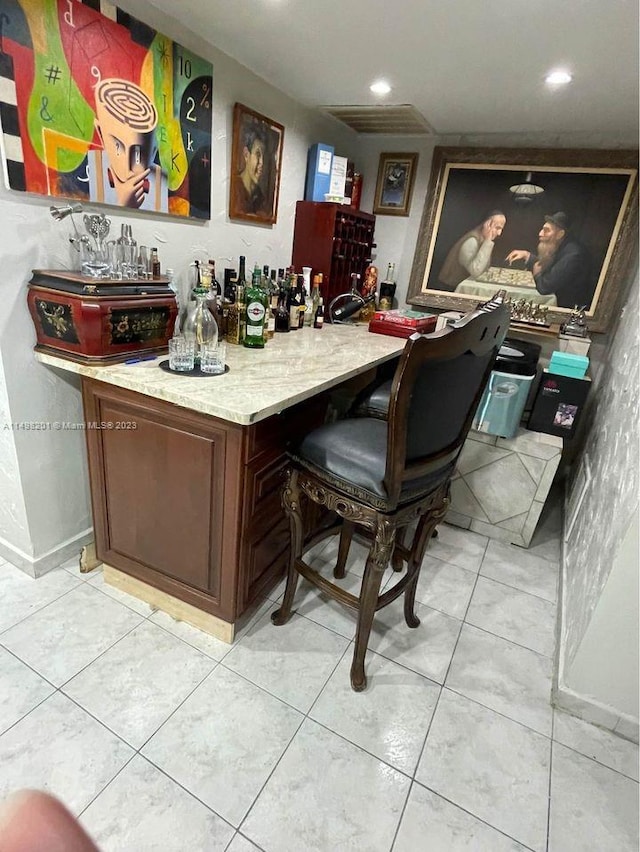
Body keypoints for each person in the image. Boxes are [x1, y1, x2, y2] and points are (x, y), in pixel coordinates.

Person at [505, 212, 593, 308]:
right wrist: (527, 255)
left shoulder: (573, 255)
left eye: (546, 230)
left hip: (568, 308)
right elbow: (549, 264)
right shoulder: (562, 246)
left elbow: (545, 287)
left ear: (560, 234)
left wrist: (537, 274)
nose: (540, 233)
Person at [438, 211, 507, 291]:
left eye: (501, 229)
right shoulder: (471, 241)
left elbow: (484, 269)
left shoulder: (482, 239)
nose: (499, 233)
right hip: (450, 289)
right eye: (497, 228)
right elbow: (476, 272)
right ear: (486, 225)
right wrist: (488, 242)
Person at [231, 125, 269, 216]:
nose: (262, 163)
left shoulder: (260, 197)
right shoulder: (235, 188)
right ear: (246, 155)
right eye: (258, 154)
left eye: (264, 156)